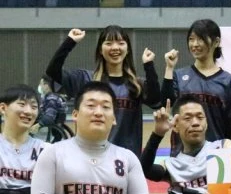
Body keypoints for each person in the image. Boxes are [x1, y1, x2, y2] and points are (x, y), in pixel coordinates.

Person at [45, 25, 162, 157]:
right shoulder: (86, 79)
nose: (115, 47)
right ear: (100, 50)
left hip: (126, 160)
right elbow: (53, 72)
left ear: (128, 49)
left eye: (121, 43)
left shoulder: (136, 85)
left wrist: (149, 66)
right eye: (109, 43)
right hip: (89, 158)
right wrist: (69, 42)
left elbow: (156, 101)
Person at [161, 18, 231, 144]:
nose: (195, 44)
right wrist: (169, 68)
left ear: (216, 42)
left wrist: (229, 152)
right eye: (191, 39)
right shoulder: (179, 75)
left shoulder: (229, 81)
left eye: (200, 39)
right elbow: (165, 103)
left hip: (216, 152)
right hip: (182, 151)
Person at [0, 85, 46, 194]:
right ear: (3, 108)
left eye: (34, 107)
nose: (28, 111)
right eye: (22, 104)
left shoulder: (47, 150)